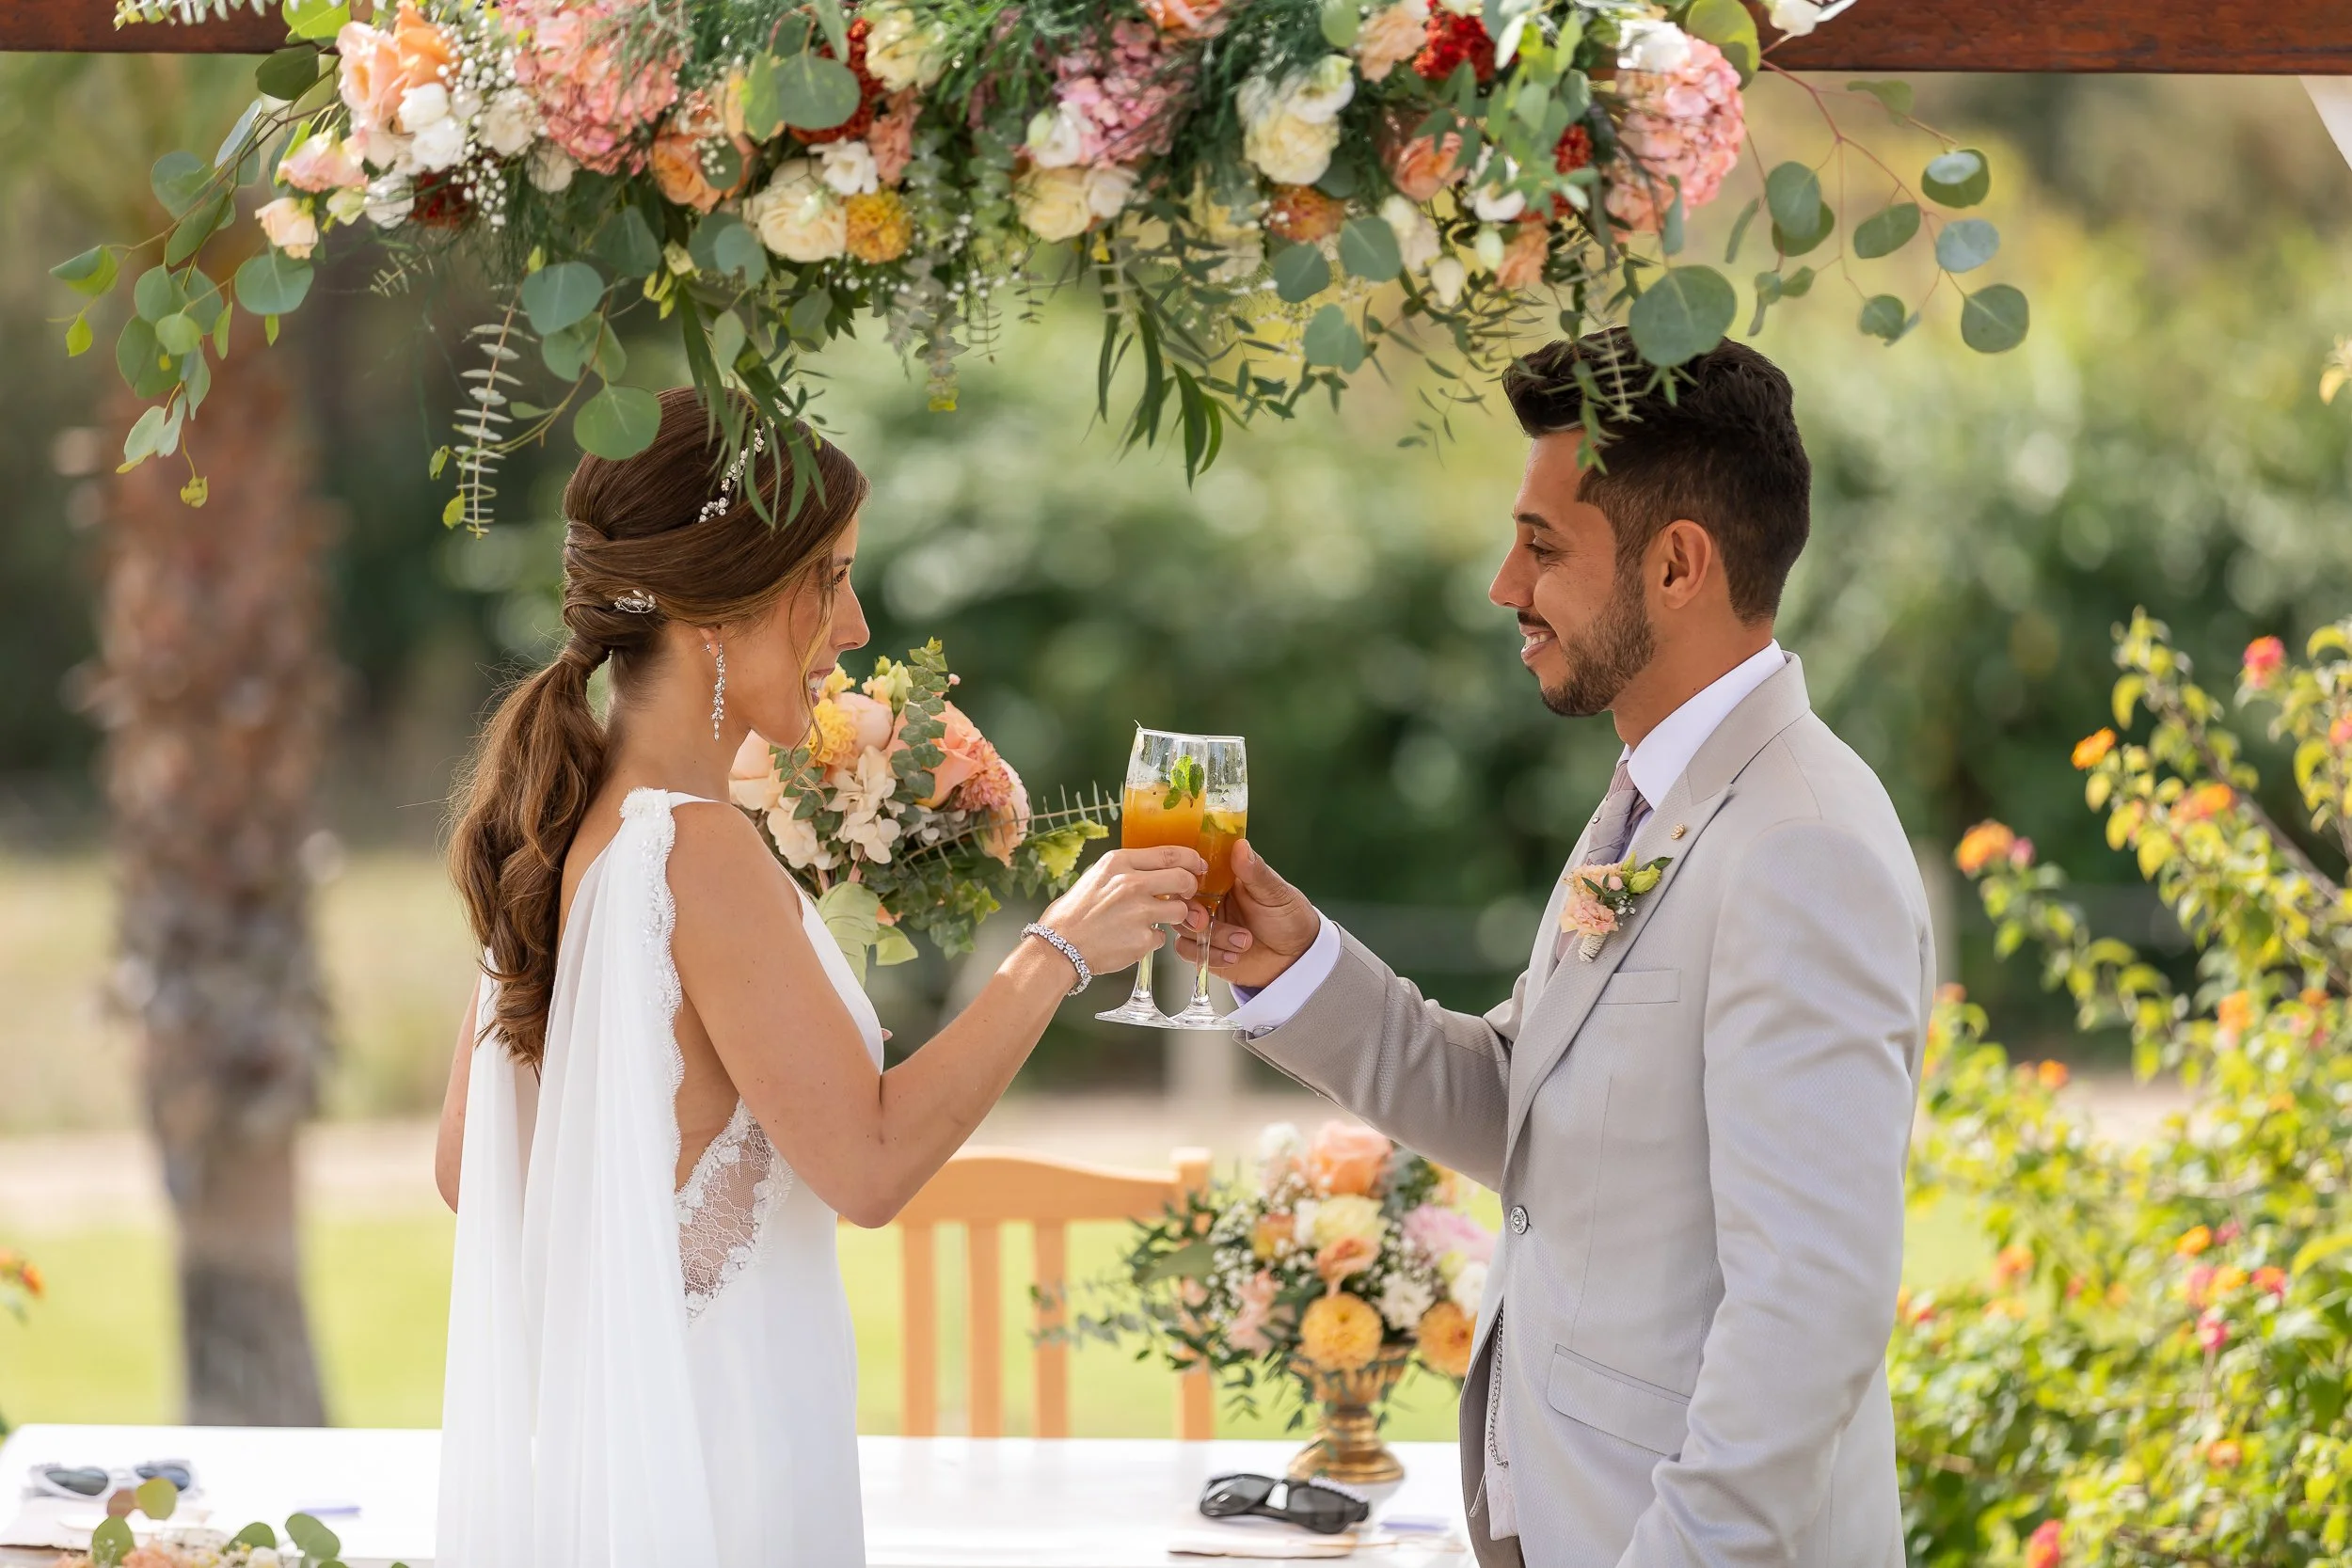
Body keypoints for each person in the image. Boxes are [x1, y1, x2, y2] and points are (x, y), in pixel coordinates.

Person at [1190, 332, 1934, 1568]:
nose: (1503, 584)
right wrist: (1298, 961)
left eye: (1542, 545)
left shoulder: (1801, 844)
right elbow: (1529, 1104)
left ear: (1680, 563)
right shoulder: (1657, 798)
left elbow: (1812, 1305)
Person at [429, 388, 1196, 1568]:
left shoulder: (565, 822)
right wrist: (1059, 954)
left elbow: (466, 1170)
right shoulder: (694, 847)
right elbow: (870, 1164)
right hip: (723, 1449)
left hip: (631, 1441)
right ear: (716, 616)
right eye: (828, 577)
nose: (853, 624)